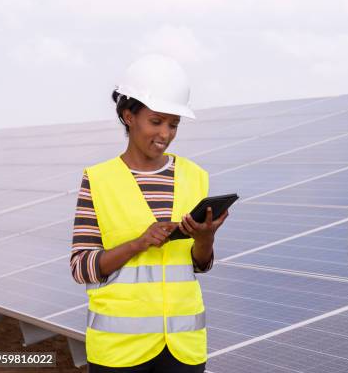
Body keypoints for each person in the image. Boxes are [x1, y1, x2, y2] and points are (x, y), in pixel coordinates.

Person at [69, 54, 228, 372]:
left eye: (174, 124)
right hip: (120, 351)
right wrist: (136, 244)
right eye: (156, 121)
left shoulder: (196, 176)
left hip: (183, 348)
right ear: (129, 116)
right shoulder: (98, 180)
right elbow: (80, 268)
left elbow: (198, 264)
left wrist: (206, 239)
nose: (165, 134)